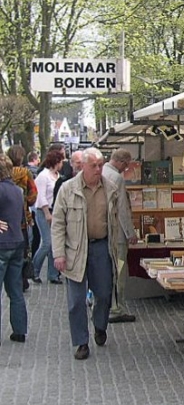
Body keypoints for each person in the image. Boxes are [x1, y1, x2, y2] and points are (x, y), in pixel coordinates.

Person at [51, 148, 121, 360]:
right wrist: (58, 254)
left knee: (104, 294)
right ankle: (81, 342)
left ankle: (100, 325)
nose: (99, 169)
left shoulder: (110, 188)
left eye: (101, 165)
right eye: (94, 166)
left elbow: (115, 221)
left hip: (101, 247)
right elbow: (57, 224)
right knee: (76, 301)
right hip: (75, 250)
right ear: (83, 166)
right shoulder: (68, 189)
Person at [103, 148, 138, 323]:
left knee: (107, 271)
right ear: (121, 162)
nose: (126, 168)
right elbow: (122, 209)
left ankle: (105, 304)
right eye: (126, 165)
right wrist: (130, 233)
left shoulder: (101, 172)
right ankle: (117, 308)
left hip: (105, 232)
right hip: (117, 234)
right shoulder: (117, 178)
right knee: (120, 270)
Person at [0, 155, 28, 344]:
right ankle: (19, 330)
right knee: (15, 290)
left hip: (2, 244)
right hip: (17, 242)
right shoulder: (18, 190)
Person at [6, 146, 37, 292]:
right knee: (23, 250)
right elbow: (33, 194)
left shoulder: (4, 175)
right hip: (22, 218)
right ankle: (22, 280)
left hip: (5, 219)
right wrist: (25, 203)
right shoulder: (26, 174)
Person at [32, 148, 64, 284]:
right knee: (46, 243)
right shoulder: (43, 176)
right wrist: (46, 213)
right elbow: (41, 196)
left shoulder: (57, 176)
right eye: (61, 161)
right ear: (56, 161)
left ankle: (53, 274)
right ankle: (34, 270)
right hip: (43, 211)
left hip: (55, 211)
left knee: (54, 245)